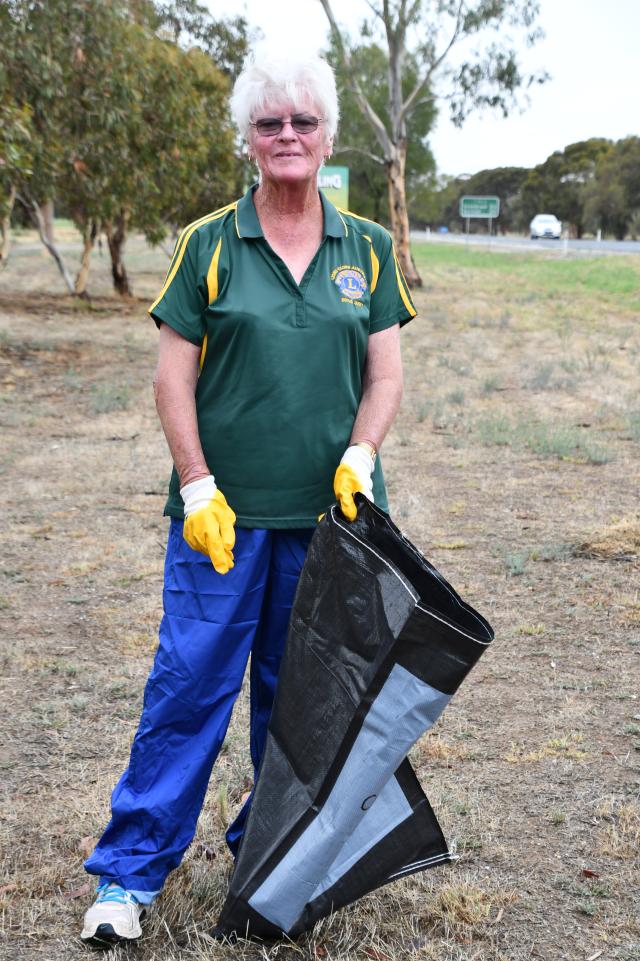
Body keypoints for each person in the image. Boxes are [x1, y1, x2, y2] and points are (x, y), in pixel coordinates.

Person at [80, 50, 416, 948]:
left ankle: (270, 867)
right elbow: (170, 376)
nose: (288, 136)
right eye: (271, 123)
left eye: (303, 122)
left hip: (328, 522)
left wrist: (360, 452)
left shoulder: (368, 249)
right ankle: (127, 874)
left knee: (298, 698)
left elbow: (384, 373)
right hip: (218, 523)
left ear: (328, 136)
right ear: (250, 138)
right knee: (188, 688)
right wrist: (195, 482)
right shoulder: (208, 244)